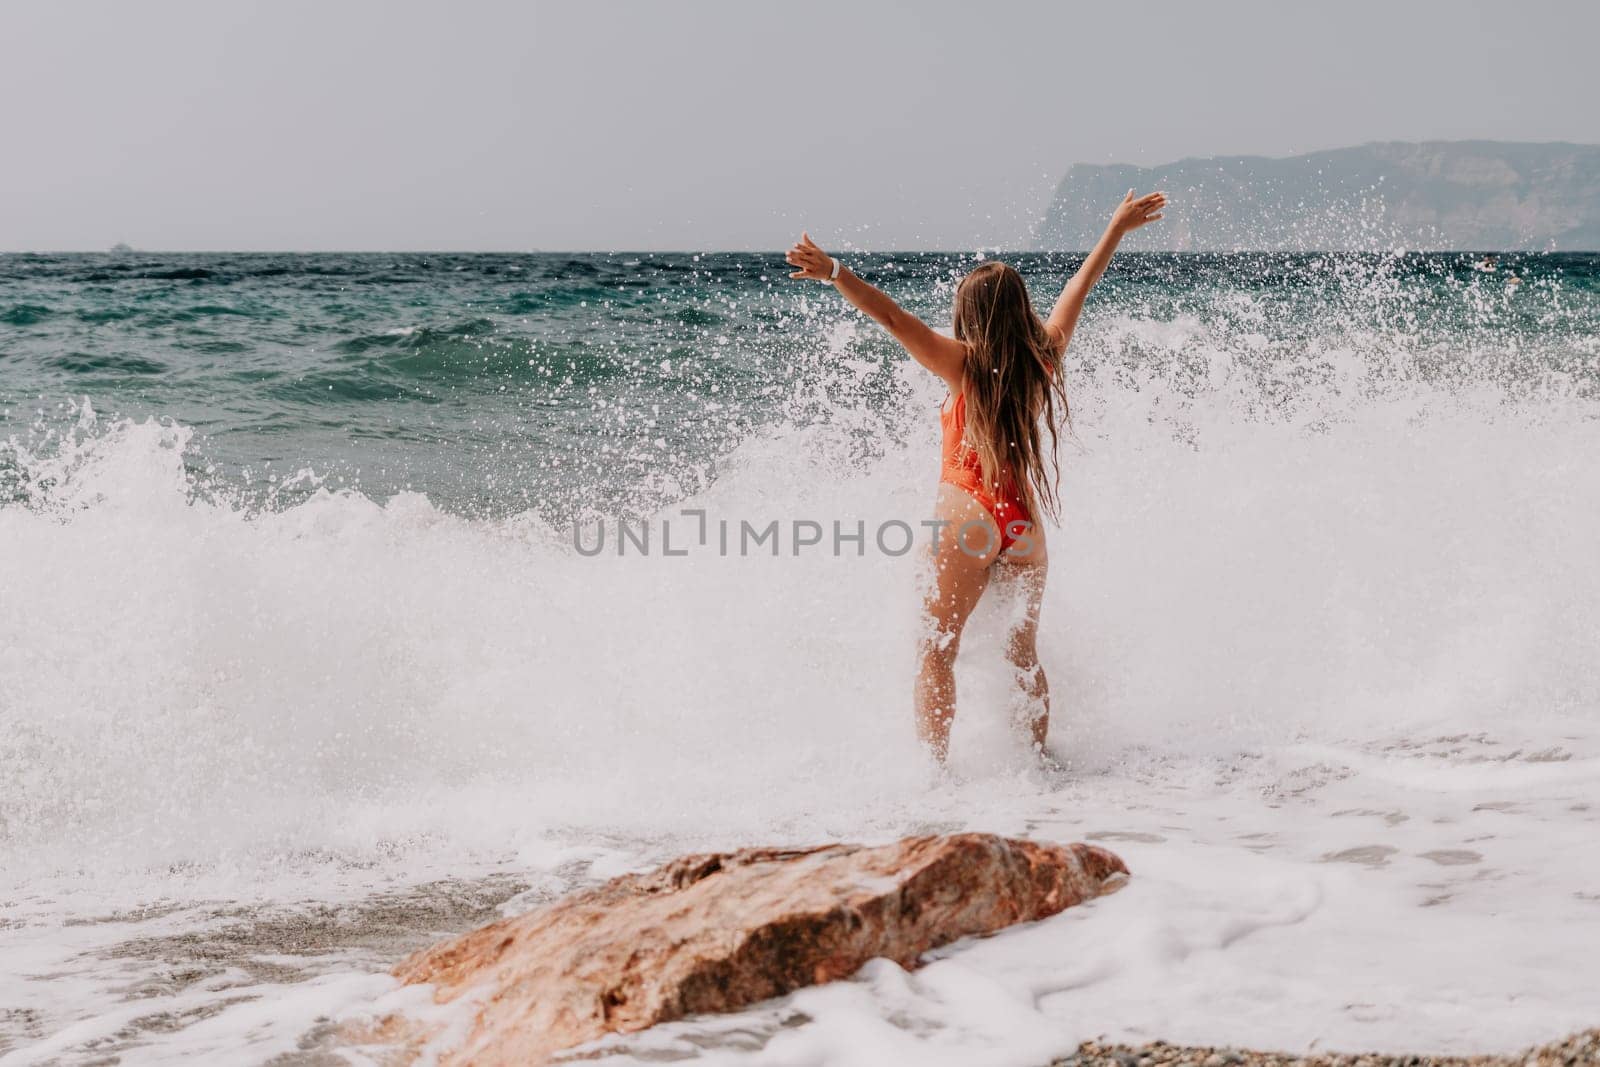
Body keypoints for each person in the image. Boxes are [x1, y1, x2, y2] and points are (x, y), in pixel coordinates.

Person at [785, 190, 1167, 764]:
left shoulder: (959, 363)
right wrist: (1115, 228)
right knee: (1022, 655)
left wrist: (835, 271)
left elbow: (892, 317)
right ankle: (1035, 770)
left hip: (967, 511)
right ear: (1020, 309)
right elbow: (1078, 289)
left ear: (969, 316)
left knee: (936, 651)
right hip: (1024, 527)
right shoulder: (1045, 357)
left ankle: (933, 778)